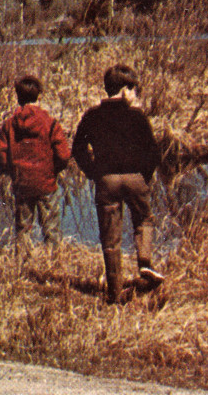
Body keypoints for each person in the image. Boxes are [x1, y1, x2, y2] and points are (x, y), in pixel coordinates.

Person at [72, 63, 163, 304]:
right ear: (124, 90)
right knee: (143, 220)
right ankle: (144, 264)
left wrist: (94, 172)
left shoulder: (92, 116)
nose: (135, 95)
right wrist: (145, 175)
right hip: (135, 178)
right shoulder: (137, 116)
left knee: (110, 238)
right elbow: (153, 152)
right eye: (134, 89)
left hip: (107, 180)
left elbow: (78, 148)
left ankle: (114, 291)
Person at [0, 74, 70, 257]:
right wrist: (53, 170)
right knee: (51, 229)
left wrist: (12, 172)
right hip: (46, 183)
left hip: (22, 183)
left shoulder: (9, 125)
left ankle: (23, 266)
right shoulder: (50, 123)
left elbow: (1, 156)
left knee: (23, 229)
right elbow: (64, 155)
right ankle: (53, 264)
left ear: (18, 97)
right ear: (39, 96)